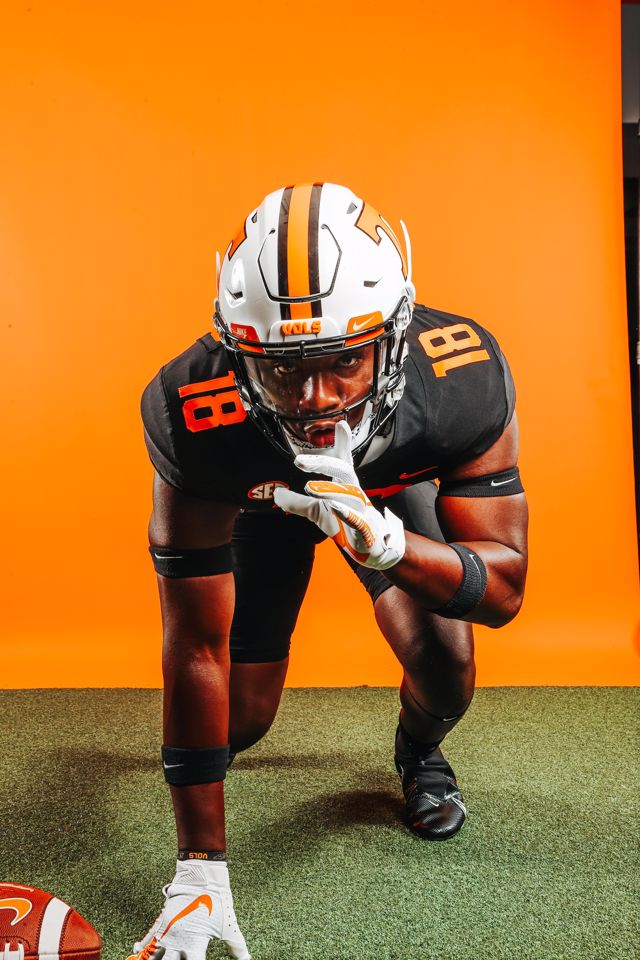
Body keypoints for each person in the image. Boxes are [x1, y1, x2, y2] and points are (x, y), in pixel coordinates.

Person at [130, 182, 528, 960]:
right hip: (263, 502)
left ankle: (419, 753)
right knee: (241, 719)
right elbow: (194, 644)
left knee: (447, 666)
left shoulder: (461, 374)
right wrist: (199, 869)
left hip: (385, 497)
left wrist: (391, 546)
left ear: (395, 335)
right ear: (237, 349)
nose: (314, 398)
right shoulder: (190, 406)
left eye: (344, 359)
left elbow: (503, 590)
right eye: (281, 368)